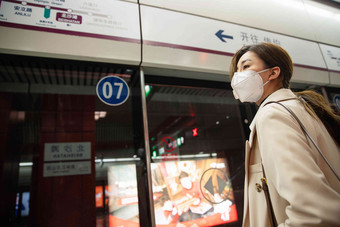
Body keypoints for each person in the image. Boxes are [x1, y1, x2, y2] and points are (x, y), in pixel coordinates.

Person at [229, 42, 340, 226]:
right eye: (236, 71)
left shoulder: (272, 115)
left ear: (273, 73)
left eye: (246, 66)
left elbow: (313, 213)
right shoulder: (303, 108)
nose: (238, 77)